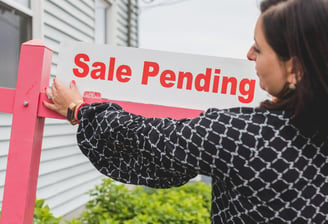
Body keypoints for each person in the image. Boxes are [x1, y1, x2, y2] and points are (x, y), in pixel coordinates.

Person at [44, 0, 328, 223]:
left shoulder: (242, 135)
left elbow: (147, 139)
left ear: (293, 67)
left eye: (259, 47)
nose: (249, 54)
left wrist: (79, 109)